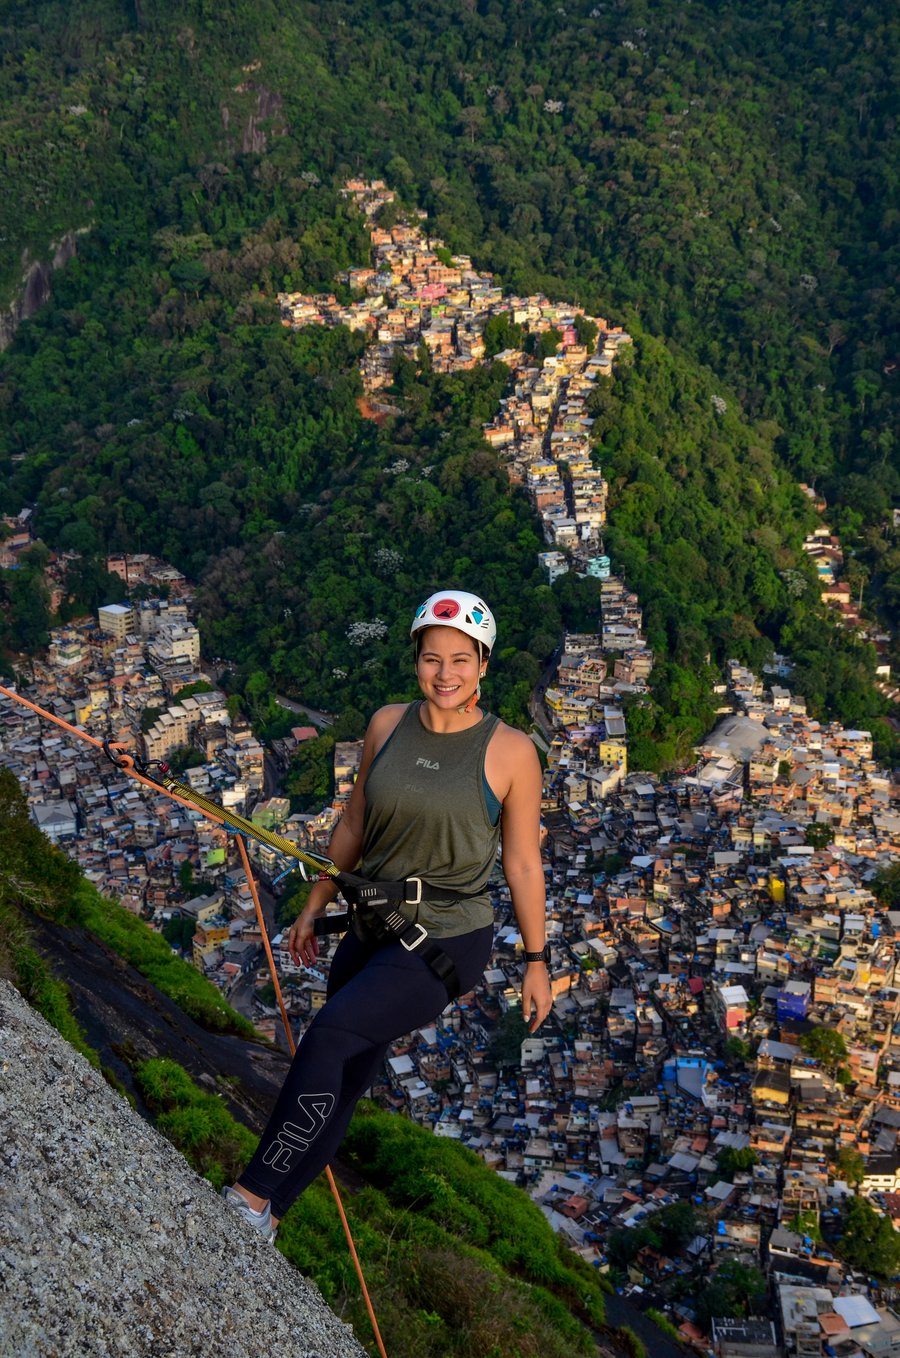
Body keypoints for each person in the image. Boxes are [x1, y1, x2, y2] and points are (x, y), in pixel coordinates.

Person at [222, 589, 552, 1241]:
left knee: (331, 1034)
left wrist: (537, 962)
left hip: (449, 938)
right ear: (416, 660)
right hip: (372, 919)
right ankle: (272, 1215)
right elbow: (354, 824)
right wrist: (316, 905)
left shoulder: (511, 752)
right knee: (344, 1076)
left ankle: (251, 1196)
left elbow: (521, 865)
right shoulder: (385, 725)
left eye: (462, 659)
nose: (446, 673)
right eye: (433, 658)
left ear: (483, 666)